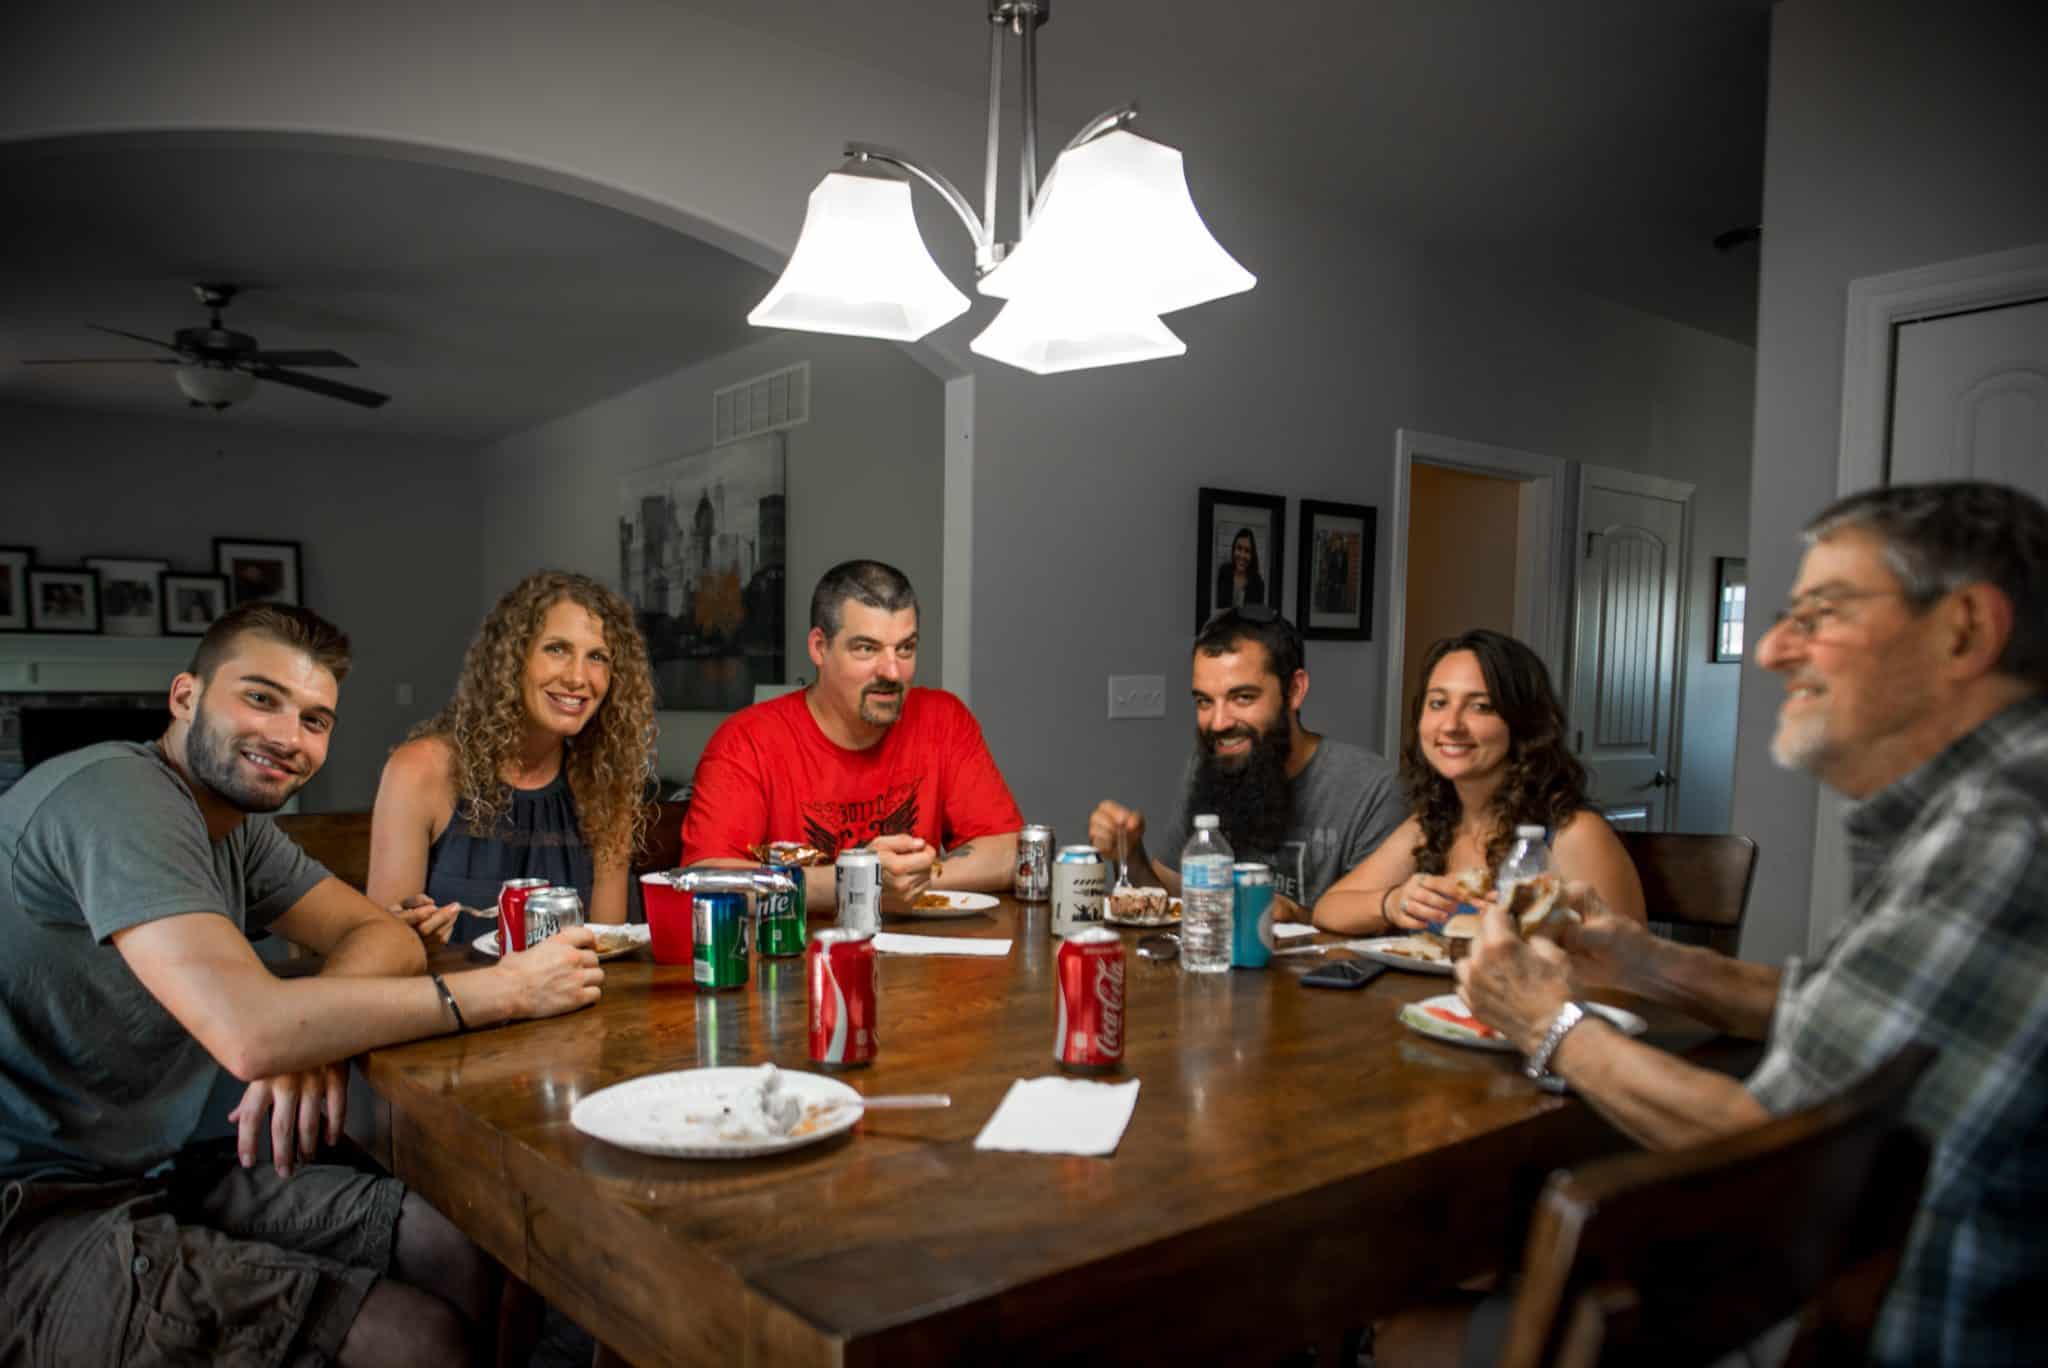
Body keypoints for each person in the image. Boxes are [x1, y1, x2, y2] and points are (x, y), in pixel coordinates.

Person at [1449, 482, 2048, 1367]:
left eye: (1822, 611)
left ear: (1963, 629)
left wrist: (1547, 1024)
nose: (1771, 649)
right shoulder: (1976, 809)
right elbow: (1857, 1021)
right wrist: (1650, 963)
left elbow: (1782, 1161)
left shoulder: (2010, 832)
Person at [0, 603, 604, 1366]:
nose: (288, 737)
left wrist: (310, 1036)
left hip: (163, 1168)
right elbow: (251, 1031)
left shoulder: (235, 830)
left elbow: (381, 935)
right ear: (185, 696)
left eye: (315, 719)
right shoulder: (118, 797)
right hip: (36, 1210)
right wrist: (507, 991)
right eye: (260, 698)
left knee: (464, 1241)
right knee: (420, 1342)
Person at [681, 559, 1022, 911]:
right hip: (795, 958)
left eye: (905, 648)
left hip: (920, 961)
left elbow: (1012, 853)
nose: (892, 671)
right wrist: (856, 881)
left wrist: (909, 880)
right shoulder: (746, 741)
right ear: (819, 648)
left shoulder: (943, 719)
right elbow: (705, 879)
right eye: (866, 648)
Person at [368, 570, 657, 944]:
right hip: (450, 998)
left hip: (570, 998)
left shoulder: (604, 788)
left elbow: (606, 946)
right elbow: (382, 948)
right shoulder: (421, 771)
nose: (577, 677)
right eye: (557, 649)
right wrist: (413, 934)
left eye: (597, 657)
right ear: (511, 658)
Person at [1313, 628, 1644, 935]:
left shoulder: (1575, 834)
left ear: (1522, 723)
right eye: (1438, 703)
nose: (1451, 725)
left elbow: (1629, 975)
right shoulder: (1431, 826)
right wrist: (1393, 902)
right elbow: (1328, 909)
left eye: (1481, 707)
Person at [1090, 607, 1403, 920]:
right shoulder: (1209, 764)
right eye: (1204, 701)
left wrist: (1293, 915)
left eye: (1242, 698)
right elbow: (1172, 900)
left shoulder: (1373, 789)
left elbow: (1379, 937)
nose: (1218, 723)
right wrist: (1129, 852)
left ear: (1294, 691)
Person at [1214, 527, 1267, 611]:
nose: (1242, 555)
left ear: (1252, 555)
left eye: (1247, 551)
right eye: (1239, 548)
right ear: (1233, 549)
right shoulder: (1223, 572)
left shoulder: (1258, 584)